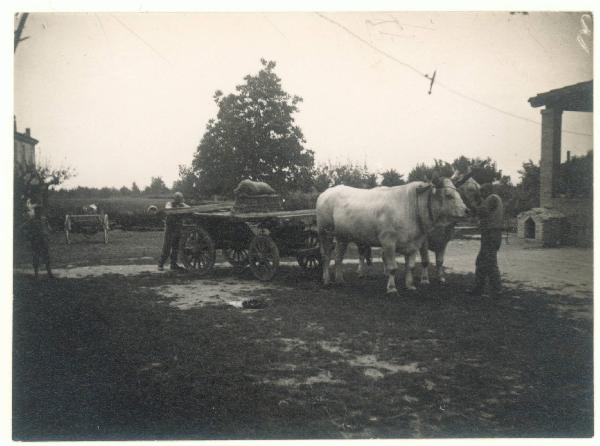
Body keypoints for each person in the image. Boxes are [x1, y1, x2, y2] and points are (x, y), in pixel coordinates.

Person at [471, 183, 504, 297]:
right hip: (491, 234)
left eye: (482, 192)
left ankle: (496, 290)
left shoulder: (492, 198)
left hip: (491, 234)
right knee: (481, 261)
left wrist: (474, 204)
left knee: (490, 263)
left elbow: (482, 212)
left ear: (487, 191)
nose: (482, 195)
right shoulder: (495, 199)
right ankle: (478, 289)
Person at [158, 191, 190, 271]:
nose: (179, 200)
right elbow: (169, 209)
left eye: (180, 199)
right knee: (167, 247)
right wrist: (179, 208)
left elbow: (189, 208)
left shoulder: (182, 204)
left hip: (178, 228)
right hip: (170, 229)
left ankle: (173, 264)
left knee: (175, 247)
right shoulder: (169, 204)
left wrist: (183, 206)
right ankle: (160, 264)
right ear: (175, 199)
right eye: (178, 199)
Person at [22, 204, 54, 279]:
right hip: (36, 241)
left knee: (47, 256)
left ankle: (49, 273)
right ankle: (36, 274)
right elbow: (24, 229)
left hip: (44, 240)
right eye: (37, 211)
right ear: (35, 212)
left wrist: (48, 234)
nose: (39, 213)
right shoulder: (31, 220)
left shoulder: (44, 219)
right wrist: (29, 236)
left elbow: (49, 228)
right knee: (36, 257)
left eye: (40, 211)